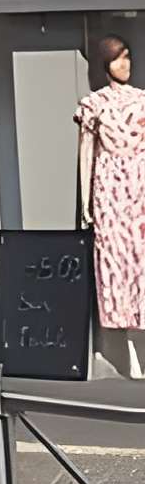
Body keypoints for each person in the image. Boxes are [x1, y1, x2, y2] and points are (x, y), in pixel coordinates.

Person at [75, 34, 145, 337]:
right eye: (118, 58)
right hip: (110, 187)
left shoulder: (143, 100)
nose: (124, 64)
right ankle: (118, 317)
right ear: (106, 63)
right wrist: (85, 202)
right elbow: (86, 152)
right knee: (114, 253)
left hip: (140, 181)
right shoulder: (95, 103)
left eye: (127, 56)